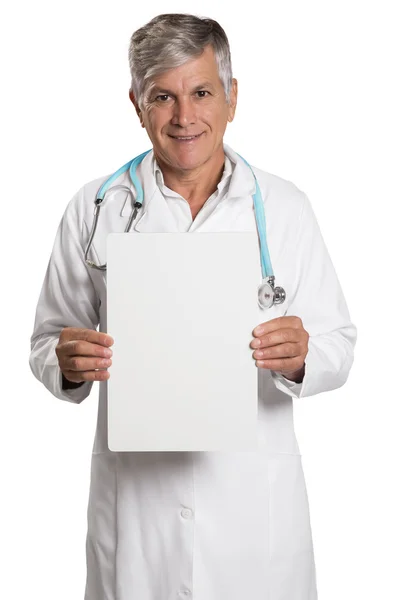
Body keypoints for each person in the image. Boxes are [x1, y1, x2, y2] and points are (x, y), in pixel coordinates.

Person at [29, 12, 357, 600]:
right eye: (164, 96)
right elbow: (46, 343)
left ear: (232, 98)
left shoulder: (284, 208)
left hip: (252, 523)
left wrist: (303, 355)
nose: (185, 117)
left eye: (202, 92)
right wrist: (67, 360)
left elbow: (339, 343)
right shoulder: (95, 208)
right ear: (136, 103)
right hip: (138, 518)